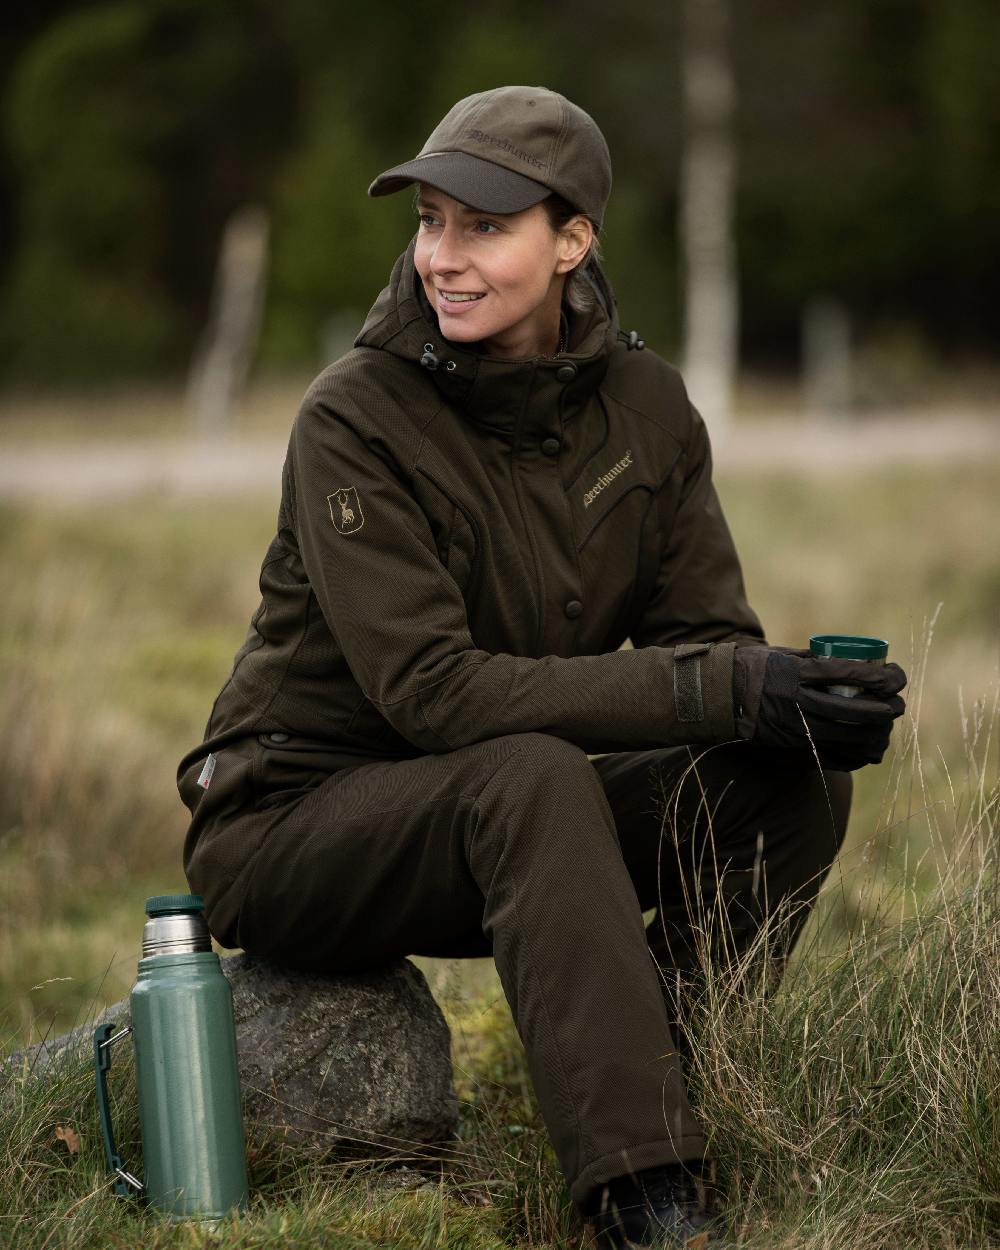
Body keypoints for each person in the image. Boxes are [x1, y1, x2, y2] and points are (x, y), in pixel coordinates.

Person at [177, 86, 906, 1248]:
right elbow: (435, 694)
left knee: (786, 776)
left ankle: (664, 1078)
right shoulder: (352, 418)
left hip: (505, 815)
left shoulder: (649, 409)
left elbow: (697, 644)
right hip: (289, 822)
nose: (441, 260)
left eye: (483, 226)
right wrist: (728, 684)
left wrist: (791, 700)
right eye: (428, 223)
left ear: (573, 240)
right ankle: (643, 1195)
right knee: (530, 770)